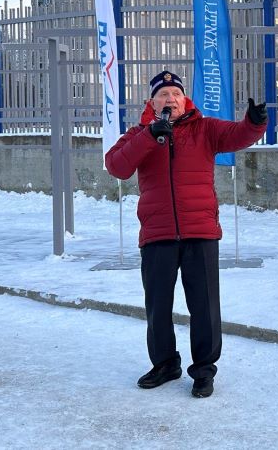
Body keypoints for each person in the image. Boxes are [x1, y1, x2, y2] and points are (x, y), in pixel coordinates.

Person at [105, 71, 267, 399]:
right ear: (152, 102)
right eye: (163, 95)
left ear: (184, 99)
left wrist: (254, 121)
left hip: (200, 232)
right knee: (158, 306)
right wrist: (150, 135)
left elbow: (238, 135)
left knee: (204, 306)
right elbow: (116, 166)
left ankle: (204, 371)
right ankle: (165, 364)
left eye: (175, 94)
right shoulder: (139, 133)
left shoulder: (204, 129)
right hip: (157, 233)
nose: (170, 99)